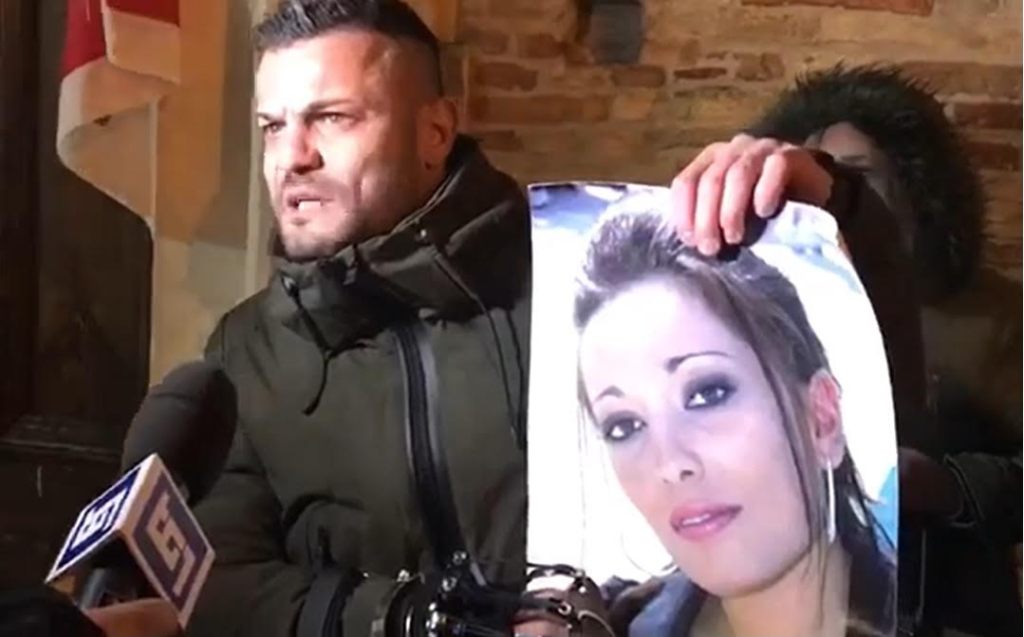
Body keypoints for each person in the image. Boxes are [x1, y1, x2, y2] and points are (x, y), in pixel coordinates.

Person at [184, 2, 896, 636]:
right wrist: (414, 618)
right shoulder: (244, 351)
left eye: (332, 118)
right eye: (273, 126)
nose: (293, 157)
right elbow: (213, 584)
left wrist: (829, 201)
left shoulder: (574, 281)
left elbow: (888, 357)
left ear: (435, 131)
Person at [748, 64, 1022, 636]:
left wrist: (947, 486)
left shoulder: (995, 316)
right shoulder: (773, 312)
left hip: (952, 612)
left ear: (918, 188)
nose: (826, 194)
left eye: (854, 175)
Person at [573, 203, 895, 637]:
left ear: (822, 418)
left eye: (707, 393)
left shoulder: (947, 608)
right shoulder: (612, 624)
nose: (671, 464)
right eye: (624, 426)